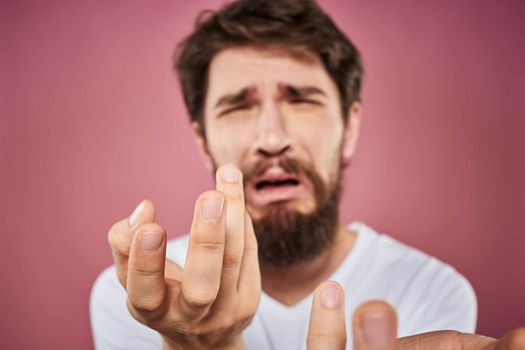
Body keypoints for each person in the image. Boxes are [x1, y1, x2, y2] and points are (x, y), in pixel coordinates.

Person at [90, 0, 524, 349]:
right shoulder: (141, 296)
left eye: (301, 99)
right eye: (238, 106)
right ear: (203, 142)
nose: (272, 138)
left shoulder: (429, 288)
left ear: (349, 129)